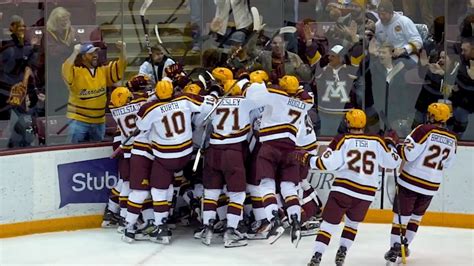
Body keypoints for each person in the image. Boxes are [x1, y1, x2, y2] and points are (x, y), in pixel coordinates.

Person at [301, 109, 401, 266]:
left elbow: (325, 163)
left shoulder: (342, 139)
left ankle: (317, 255)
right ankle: (343, 250)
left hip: (343, 190)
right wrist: (391, 144)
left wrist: (307, 158)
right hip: (366, 194)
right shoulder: (377, 141)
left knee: (328, 225)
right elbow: (393, 162)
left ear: (347, 123)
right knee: (352, 224)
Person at [123, 80, 214, 244]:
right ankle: (162, 221)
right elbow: (208, 104)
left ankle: (147, 227)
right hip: (184, 154)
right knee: (168, 187)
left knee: (156, 191)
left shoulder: (149, 108)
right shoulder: (184, 99)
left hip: (163, 156)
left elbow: (141, 124)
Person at [384, 103, 457, 264]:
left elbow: (408, 154)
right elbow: (448, 164)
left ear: (431, 116)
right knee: (416, 219)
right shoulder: (452, 139)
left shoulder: (423, 130)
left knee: (400, 219)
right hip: (430, 186)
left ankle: (395, 249)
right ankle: (406, 245)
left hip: (410, 182)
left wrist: (394, 144)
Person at [245, 75, 313, 247]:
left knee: (266, 185)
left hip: (270, 147)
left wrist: (260, 83)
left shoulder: (275, 94)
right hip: (291, 149)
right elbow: (307, 96)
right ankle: (296, 221)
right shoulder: (305, 103)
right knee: (288, 187)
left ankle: (274, 220)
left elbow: (250, 94)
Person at [199, 79, 259, 248]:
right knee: (237, 194)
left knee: (211, 192)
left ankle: (207, 228)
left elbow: (201, 120)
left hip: (213, 151)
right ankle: (231, 231)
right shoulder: (246, 102)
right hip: (233, 152)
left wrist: (213, 94)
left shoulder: (214, 101)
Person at [62, 41, 126, 143]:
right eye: (91, 53)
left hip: (99, 120)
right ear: (83, 57)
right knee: (72, 150)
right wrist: (74, 53)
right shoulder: (77, 71)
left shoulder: (102, 70)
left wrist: (123, 51)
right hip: (78, 120)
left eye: (96, 53)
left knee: (96, 151)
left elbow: (120, 68)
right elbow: (65, 70)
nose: (95, 55)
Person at [0, 15, 40, 148]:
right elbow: (11, 70)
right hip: (6, 96)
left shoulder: (27, 46)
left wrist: (33, 90)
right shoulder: (8, 48)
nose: (22, 28)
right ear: (11, 28)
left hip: (22, 97)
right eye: (18, 25)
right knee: (8, 132)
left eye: (23, 25)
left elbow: (30, 71)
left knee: (27, 133)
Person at [45, 6, 79, 116]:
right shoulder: (48, 35)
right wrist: (70, 48)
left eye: (66, 20)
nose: (65, 23)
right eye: (62, 20)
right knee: (56, 105)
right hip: (54, 76)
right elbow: (53, 53)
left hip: (69, 75)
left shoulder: (71, 32)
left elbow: (79, 48)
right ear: (55, 21)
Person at [375, 0, 423, 66]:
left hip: (406, 56)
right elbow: (378, 43)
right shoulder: (378, 25)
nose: (381, 17)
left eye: (383, 14)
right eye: (379, 14)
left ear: (391, 13)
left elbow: (418, 42)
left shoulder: (404, 21)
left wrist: (404, 49)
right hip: (386, 57)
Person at [449, 37, 474, 139]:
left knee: (461, 112)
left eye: (465, 50)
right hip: (456, 97)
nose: (462, 53)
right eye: (462, 49)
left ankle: (458, 137)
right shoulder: (461, 60)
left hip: (469, 102)